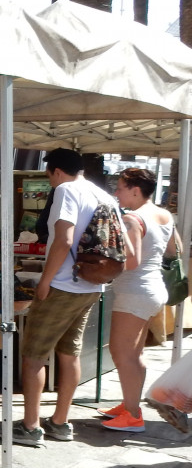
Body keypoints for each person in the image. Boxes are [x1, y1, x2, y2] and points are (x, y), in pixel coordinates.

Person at [14, 148, 124, 447]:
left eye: (49, 175)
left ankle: (30, 426)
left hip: (64, 283)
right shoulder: (103, 194)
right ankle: (61, 422)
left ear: (56, 171)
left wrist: (45, 282)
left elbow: (62, 238)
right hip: (92, 283)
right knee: (69, 353)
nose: (50, 181)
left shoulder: (66, 190)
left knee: (34, 354)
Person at [101, 168, 179, 432]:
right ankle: (128, 405)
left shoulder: (133, 218)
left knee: (122, 353)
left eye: (120, 187)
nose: (116, 192)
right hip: (152, 288)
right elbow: (173, 250)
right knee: (133, 353)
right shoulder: (164, 214)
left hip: (134, 291)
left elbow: (131, 262)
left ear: (135, 190)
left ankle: (133, 415)